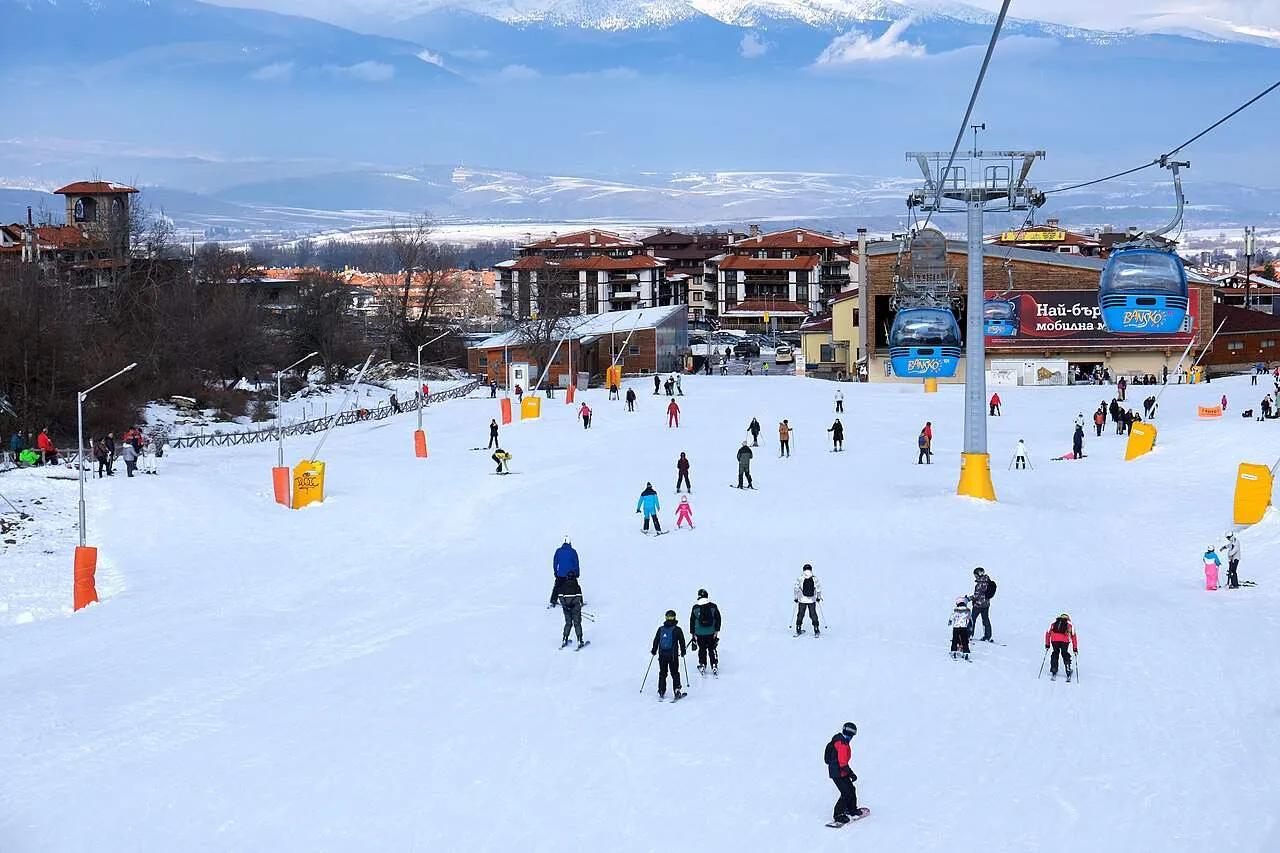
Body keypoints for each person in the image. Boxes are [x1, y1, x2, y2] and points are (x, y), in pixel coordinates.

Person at [825, 723, 860, 824]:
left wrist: (848, 773)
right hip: (838, 773)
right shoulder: (842, 744)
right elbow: (843, 763)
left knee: (851, 789)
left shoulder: (841, 741)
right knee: (846, 793)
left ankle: (851, 809)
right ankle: (838, 815)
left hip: (840, 772)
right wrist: (851, 773)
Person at [649, 611, 687, 700]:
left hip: (662, 656)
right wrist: (683, 651)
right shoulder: (677, 629)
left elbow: (656, 640)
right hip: (673, 656)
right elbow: (682, 641)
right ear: (674, 617)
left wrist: (654, 651)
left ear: (666, 618)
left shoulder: (661, 629)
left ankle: (661, 690)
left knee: (662, 673)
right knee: (675, 673)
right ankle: (677, 690)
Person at [689, 589, 721, 675]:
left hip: (699, 633)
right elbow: (718, 619)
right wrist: (716, 631)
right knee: (712, 648)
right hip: (711, 632)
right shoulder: (713, 607)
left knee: (702, 649)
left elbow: (692, 621)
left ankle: (702, 664)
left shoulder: (695, 608)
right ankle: (714, 664)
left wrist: (693, 633)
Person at [555, 572, 586, 649]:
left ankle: (565, 639)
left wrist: (565, 605)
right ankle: (579, 640)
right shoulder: (577, 586)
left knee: (568, 623)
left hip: (566, 609)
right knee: (577, 623)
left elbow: (560, 597)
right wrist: (573, 604)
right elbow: (579, 597)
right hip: (575, 608)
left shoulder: (563, 586)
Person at [1044, 613, 1078, 682]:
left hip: (1054, 640)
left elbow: (1048, 633)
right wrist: (1075, 648)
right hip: (1065, 641)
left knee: (1055, 653)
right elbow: (1074, 637)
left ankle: (1054, 669)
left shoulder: (1054, 623)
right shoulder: (1070, 624)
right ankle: (1068, 670)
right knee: (1065, 653)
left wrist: (1047, 644)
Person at [549, 537, 580, 607]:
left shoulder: (558, 551)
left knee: (557, 587)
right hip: (571, 574)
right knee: (576, 587)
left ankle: (553, 601)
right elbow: (576, 563)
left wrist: (555, 572)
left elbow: (555, 562)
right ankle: (579, 601)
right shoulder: (573, 551)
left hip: (561, 574)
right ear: (570, 543)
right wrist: (577, 573)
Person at [794, 564, 821, 636]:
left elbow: (796, 589)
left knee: (800, 614)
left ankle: (798, 628)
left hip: (802, 600)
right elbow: (818, 589)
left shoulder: (800, 578)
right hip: (811, 600)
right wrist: (818, 597)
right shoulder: (814, 578)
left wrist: (796, 598)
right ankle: (816, 629)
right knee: (813, 614)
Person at [970, 567, 997, 642]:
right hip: (986, 605)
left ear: (979, 574)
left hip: (978, 605)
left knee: (972, 619)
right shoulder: (987, 581)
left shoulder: (981, 583)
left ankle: (969, 634)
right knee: (985, 619)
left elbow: (977, 595)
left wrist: (969, 598)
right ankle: (988, 636)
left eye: (976, 575)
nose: (975, 577)